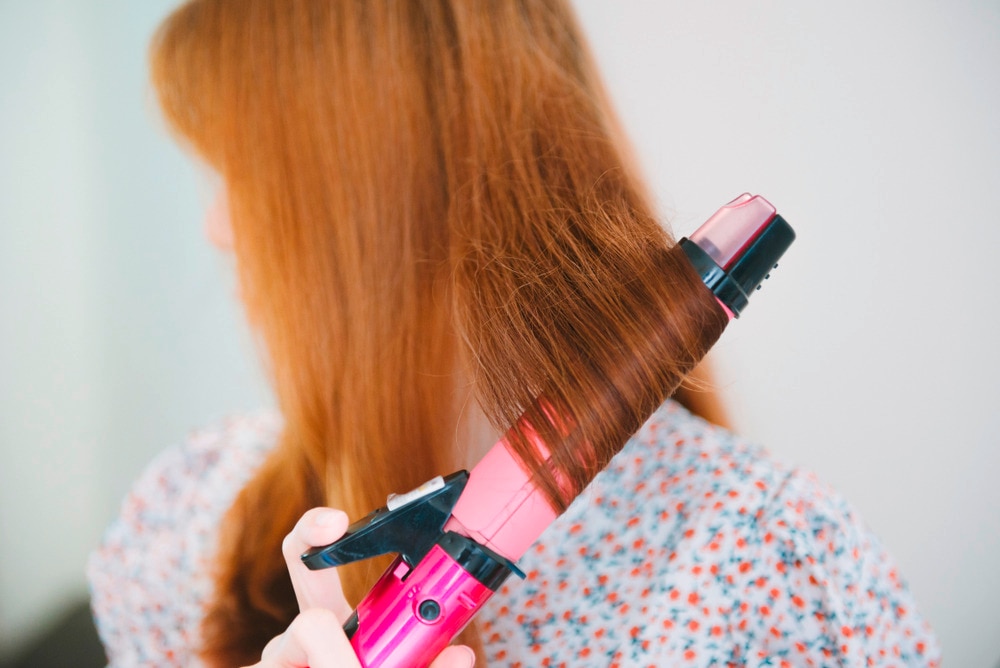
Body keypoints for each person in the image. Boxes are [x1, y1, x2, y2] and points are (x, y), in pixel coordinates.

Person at [88, 1, 941, 666]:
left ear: (378, 190)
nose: (218, 227)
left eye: (245, 172)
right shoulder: (192, 519)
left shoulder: (766, 562)